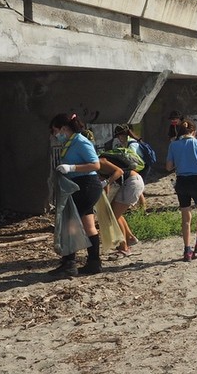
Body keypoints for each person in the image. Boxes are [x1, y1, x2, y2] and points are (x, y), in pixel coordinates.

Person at [49, 113, 103, 277]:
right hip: (80, 185)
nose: (55, 135)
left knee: (69, 223)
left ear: (64, 128)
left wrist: (71, 168)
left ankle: (69, 263)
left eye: (56, 131)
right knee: (89, 225)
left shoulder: (80, 141)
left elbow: (96, 165)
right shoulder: (70, 143)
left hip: (86, 186)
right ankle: (94, 262)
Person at [165, 118, 197, 262]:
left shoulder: (173, 145)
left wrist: (181, 163)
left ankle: (187, 250)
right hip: (196, 180)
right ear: (194, 131)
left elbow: (168, 167)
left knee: (185, 217)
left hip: (181, 182)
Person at [97, 153, 142, 257]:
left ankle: (124, 248)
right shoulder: (96, 167)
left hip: (131, 182)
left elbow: (119, 171)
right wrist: (106, 199)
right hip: (130, 182)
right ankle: (130, 238)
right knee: (114, 213)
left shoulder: (100, 161)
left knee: (114, 217)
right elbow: (105, 184)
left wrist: (106, 182)